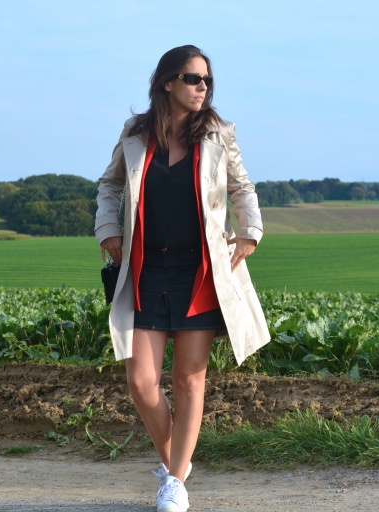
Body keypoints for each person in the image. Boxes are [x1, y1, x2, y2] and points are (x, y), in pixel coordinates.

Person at [94, 44, 270, 512]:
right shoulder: (135, 133)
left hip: (200, 269)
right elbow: (111, 184)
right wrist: (108, 228)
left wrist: (250, 233)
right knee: (141, 380)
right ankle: (179, 462)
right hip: (147, 267)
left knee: (189, 379)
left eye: (207, 80)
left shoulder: (218, 133)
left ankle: (174, 482)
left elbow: (242, 187)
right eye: (193, 78)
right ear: (168, 82)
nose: (202, 87)